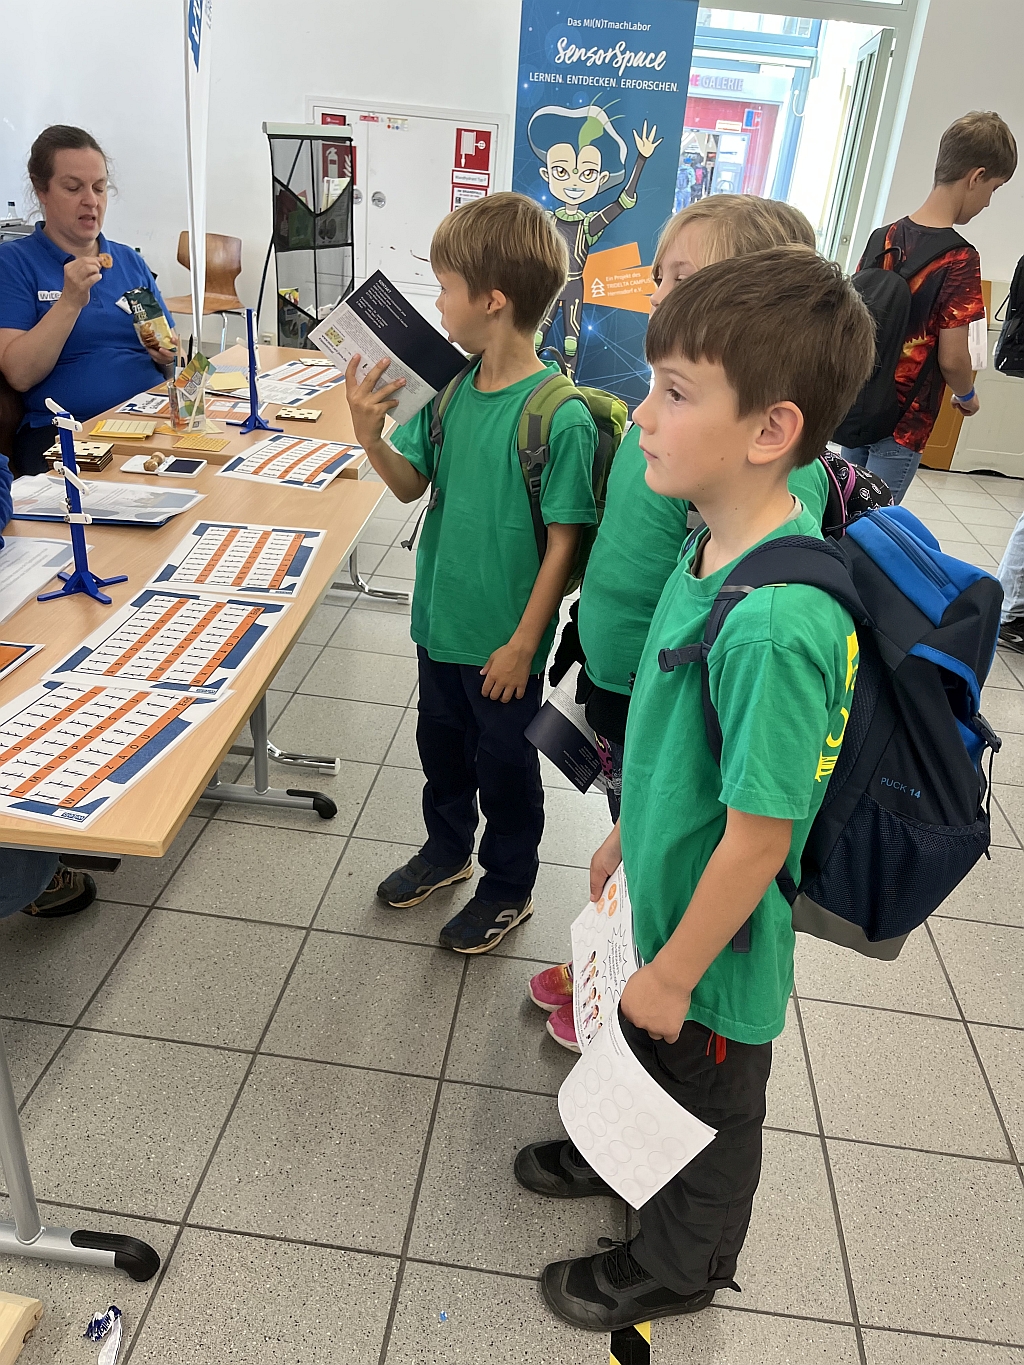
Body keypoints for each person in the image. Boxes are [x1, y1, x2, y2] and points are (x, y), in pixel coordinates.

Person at [515, 246, 875, 1330]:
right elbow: (677, 731)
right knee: (641, 1055)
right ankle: (618, 1156)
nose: (643, 414)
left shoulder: (777, 626)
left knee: (709, 1111)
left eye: (675, 393)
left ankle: (680, 1265)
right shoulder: (711, 546)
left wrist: (675, 973)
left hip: (715, 955)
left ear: (770, 430)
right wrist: (631, 835)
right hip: (666, 893)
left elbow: (760, 840)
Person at [529, 195, 830, 1052]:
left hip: (683, 707)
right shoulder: (678, 436)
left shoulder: (766, 509)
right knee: (641, 832)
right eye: (662, 277)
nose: (661, 293)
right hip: (630, 685)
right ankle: (612, 959)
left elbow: (754, 834)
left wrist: (672, 976)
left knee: (677, 848)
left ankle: (649, 981)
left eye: (686, 278)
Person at [345, 192, 598, 954]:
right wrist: (370, 436)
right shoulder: (449, 391)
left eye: (445, 288)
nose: (437, 304)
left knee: (506, 766)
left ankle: (509, 884)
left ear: (493, 300)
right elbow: (410, 486)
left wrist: (524, 643)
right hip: (439, 625)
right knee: (442, 750)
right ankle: (448, 846)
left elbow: (564, 543)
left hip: (503, 645)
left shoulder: (558, 415)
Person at [838, 110, 1017, 502]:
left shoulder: (882, 237)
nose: (988, 202)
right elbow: (953, 357)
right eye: (994, 189)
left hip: (858, 405)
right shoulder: (959, 258)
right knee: (874, 522)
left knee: (841, 511)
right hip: (905, 421)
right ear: (976, 177)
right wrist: (966, 395)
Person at [0, 125, 175, 475]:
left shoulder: (128, 261)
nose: (91, 201)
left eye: (99, 187)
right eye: (73, 187)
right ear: (41, 190)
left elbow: (171, 355)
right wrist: (69, 302)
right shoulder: (14, 263)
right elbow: (19, 375)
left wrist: (168, 354)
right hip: (67, 432)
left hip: (152, 421)